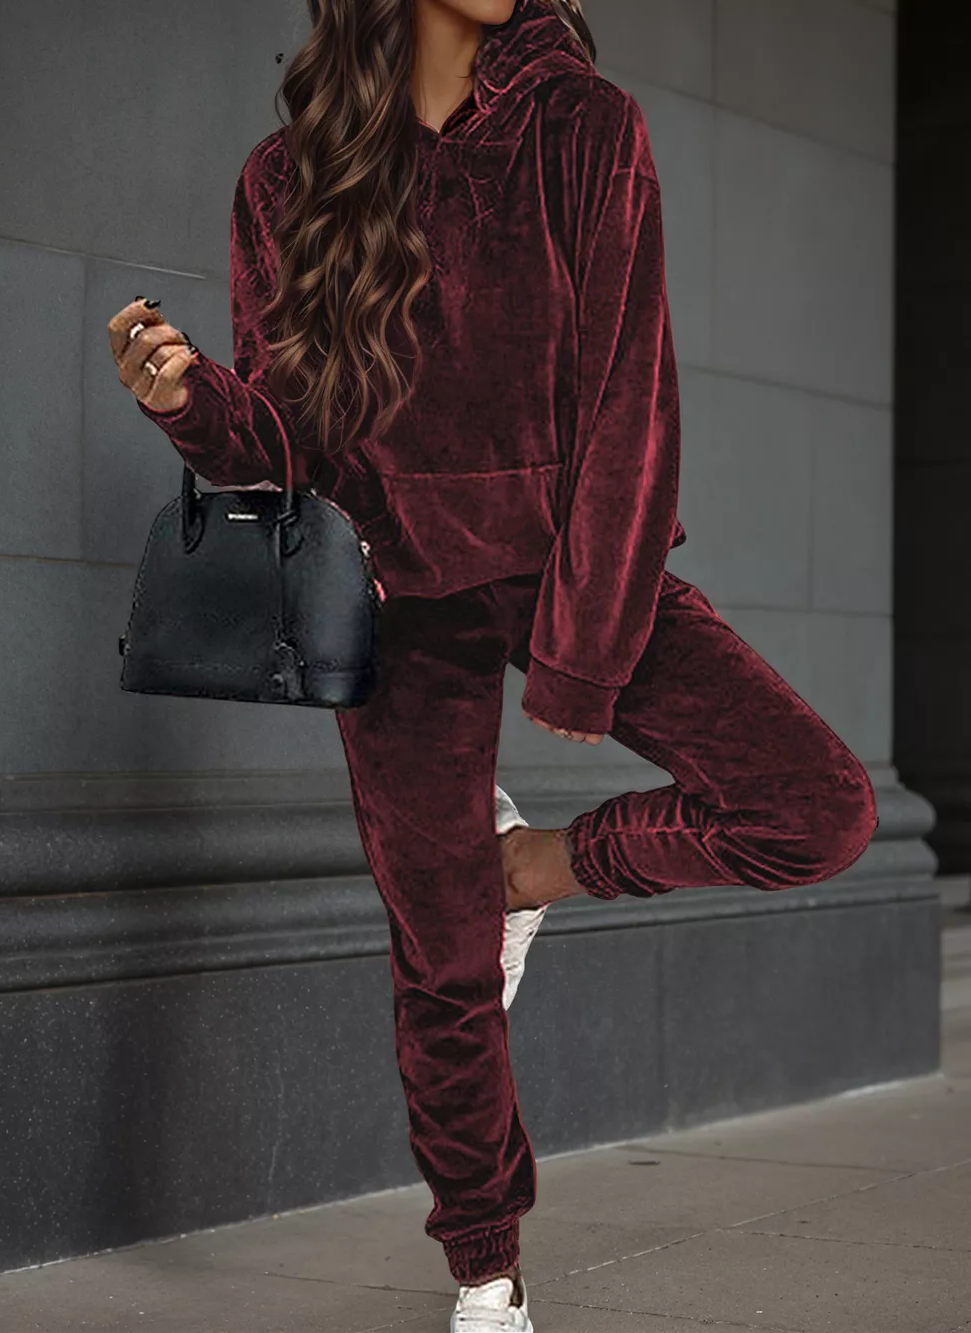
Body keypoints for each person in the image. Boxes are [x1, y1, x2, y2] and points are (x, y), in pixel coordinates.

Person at [108, 1, 880, 1328]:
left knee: (818, 808)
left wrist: (582, 657)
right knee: (442, 961)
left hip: (567, 560)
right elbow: (287, 443)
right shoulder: (289, 175)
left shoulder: (582, 125)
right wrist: (186, 400)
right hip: (391, 592)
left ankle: (528, 869)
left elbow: (631, 398)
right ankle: (487, 1274)